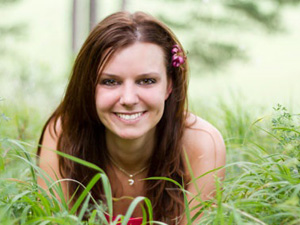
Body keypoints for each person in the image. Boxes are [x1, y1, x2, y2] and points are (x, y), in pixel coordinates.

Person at [37, 11, 226, 225]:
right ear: (89, 87)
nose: (128, 99)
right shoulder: (63, 135)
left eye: (146, 81)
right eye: (110, 82)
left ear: (169, 85)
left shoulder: (202, 145)